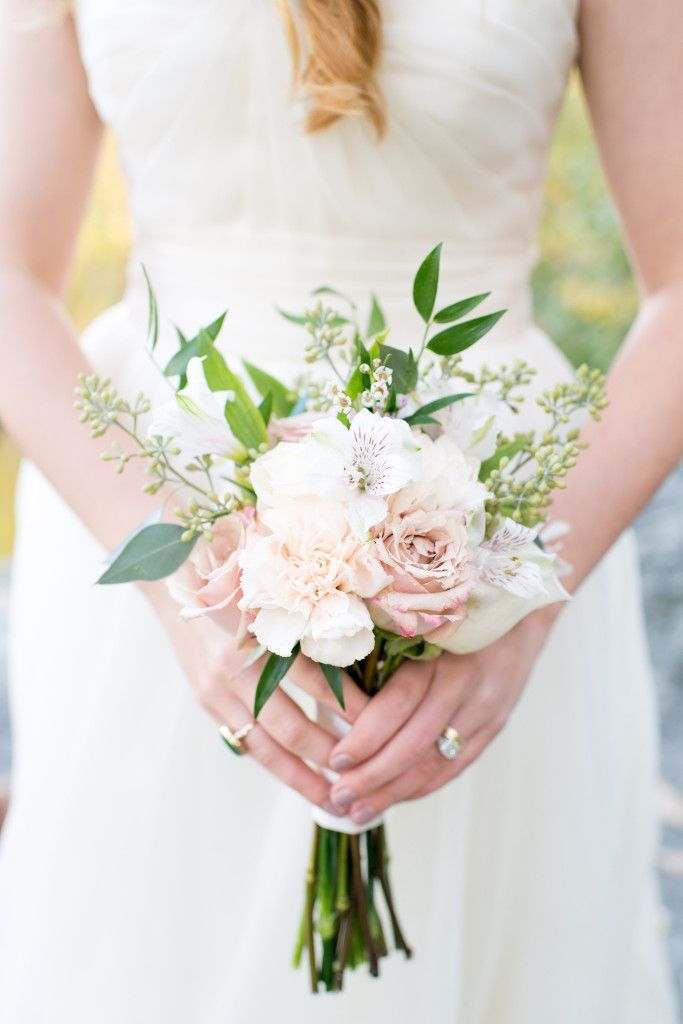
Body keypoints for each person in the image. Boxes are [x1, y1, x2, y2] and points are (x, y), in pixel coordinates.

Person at [0, 1, 681, 1020]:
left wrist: (519, 594)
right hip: (143, 538)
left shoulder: (511, 581)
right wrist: (181, 571)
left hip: (499, 526)